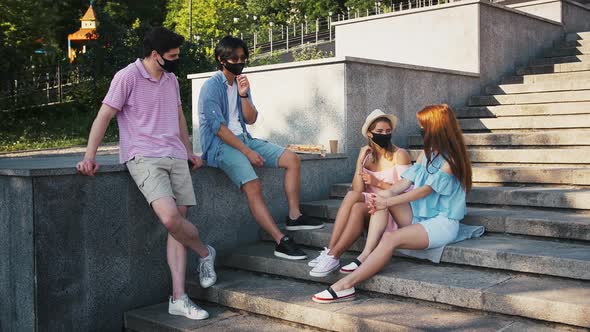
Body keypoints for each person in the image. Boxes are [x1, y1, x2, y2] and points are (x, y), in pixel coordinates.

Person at [76, 27, 215, 320]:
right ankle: (205, 252)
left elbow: (178, 117)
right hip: (144, 157)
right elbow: (104, 116)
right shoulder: (126, 77)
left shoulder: (171, 80)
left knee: (177, 227)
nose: (178, 60)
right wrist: (89, 156)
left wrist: (188, 150)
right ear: (155, 55)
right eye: (173, 56)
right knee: (169, 219)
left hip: (176, 156)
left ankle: (178, 298)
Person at [312, 104, 474, 303]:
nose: (421, 130)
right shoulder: (427, 154)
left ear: (436, 127)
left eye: (423, 125)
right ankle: (365, 254)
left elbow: (423, 191)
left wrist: (387, 200)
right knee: (379, 200)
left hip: (441, 222)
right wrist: (382, 198)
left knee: (389, 238)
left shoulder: (452, 161)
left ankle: (344, 286)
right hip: (419, 216)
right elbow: (405, 183)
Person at [198, 36, 324, 261]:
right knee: (254, 184)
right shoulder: (211, 86)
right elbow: (218, 129)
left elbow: (251, 118)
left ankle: (294, 216)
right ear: (221, 59)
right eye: (234, 58)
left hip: (244, 138)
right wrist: (247, 153)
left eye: (242, 58)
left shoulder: (239, 82)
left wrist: (244, 94)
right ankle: (280, 241)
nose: (239, 62)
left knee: (292, 159)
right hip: (221, 146)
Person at [308, 109, 411, 277]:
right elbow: (357, 190)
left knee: (357, 207)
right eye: (379, 131)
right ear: (369, 134)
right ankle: (330, 252)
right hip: (371, 208)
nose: (384, 135)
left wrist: (378, 183)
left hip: (390, 210)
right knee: (352, 197)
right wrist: (359, 162)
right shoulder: (367, 156)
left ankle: (332, 255)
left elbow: (405, 191)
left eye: (388, 131)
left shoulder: (400, 155)